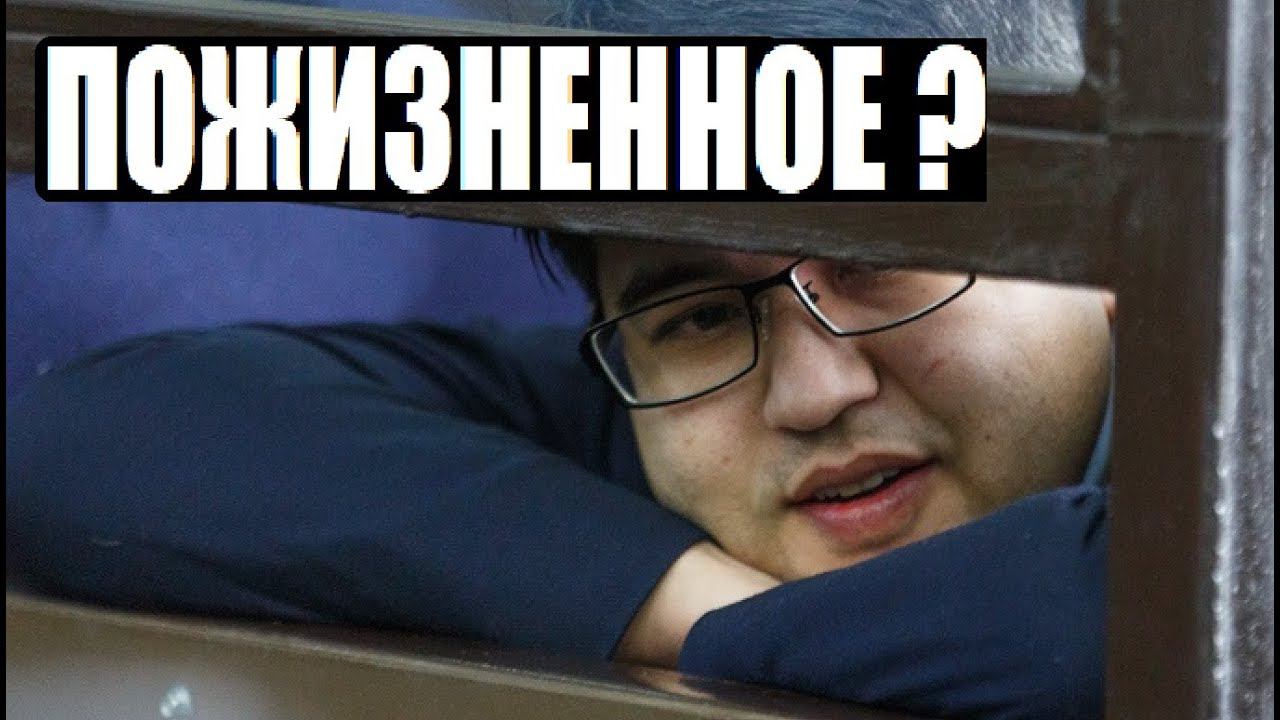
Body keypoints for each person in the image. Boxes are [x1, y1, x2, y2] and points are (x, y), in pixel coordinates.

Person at [8, 225, 1112, 720]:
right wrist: (693, 611)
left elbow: (1102, 615)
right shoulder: (651, 401)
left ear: (1112, 249)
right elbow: (95, 434)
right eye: (697, 315)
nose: (813, 391)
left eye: (878, 262)